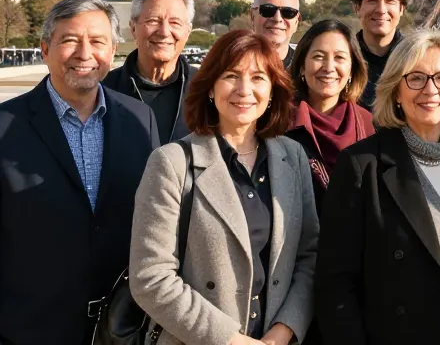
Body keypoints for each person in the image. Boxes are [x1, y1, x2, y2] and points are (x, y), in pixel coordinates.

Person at [129, 30, 319, 345]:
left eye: (258, 78)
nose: (244, 90)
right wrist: (231, 340)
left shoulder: (293, 157)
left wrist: (284, 329)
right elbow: (150, 276)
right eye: (231, 76)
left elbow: (309, 256)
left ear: (272, 91)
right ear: (210, 87)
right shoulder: (172, 162)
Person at [316, 29, 440, 344]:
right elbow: (335, 284)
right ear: (396, 92)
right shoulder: (362, 165)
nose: (431, 90)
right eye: (416, 78)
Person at [0, 0, 159, 345]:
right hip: (29, 331)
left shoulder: (140, 120)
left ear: (113, 50)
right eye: (70, 40)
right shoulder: (5, 126)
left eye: (97, 41)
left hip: (121, 330)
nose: (84, 53)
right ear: (45, 49)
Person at [287, 18, 375, 213]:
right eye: (318, 56)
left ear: (352, 69)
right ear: (302, 66)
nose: (328, 67)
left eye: (339, 58)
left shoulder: (368, 124)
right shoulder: (281, 122)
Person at [105, 0, 196, 143]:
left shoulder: (207, 89)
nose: (164, 32)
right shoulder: (104, 91)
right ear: (133, 28)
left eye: (175, 23)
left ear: (188, 32)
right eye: (153, 21)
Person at [349, 0, 408, 109]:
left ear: (401, 9)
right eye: (372, 1)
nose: (381, 10)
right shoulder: (344, 57)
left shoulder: (416, 57)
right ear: (357, 8)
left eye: (390, 1)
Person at [250, 0, 302, 68]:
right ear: (252, 16)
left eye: (288, 12)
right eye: (268, 10)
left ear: (296, 21)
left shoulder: (305, 69)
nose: (277, 19)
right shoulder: (232, 63)